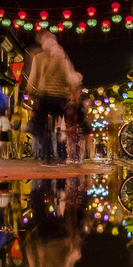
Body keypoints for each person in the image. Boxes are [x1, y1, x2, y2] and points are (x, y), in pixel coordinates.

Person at [25, 30, 80, 165]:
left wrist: (30, 91)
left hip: (45, 97)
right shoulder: (62, 60)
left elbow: (32, 78)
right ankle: (60, 152)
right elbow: (68, 78)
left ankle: (46, 153)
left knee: (43, 124)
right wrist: (71, 91)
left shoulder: (38, 58)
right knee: (58, 124)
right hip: (60, 99)